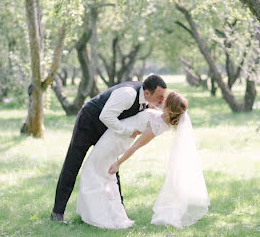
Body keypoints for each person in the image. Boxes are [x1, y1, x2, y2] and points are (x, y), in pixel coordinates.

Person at [51, 75, 167, 223]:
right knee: (72, 166)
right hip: (88, 123)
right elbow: (106, 116)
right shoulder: (128, 94)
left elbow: (146, 109)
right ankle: (57, 213)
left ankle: (118, 212)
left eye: (164, 97)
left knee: (112, 168)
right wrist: (128, 131)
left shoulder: (146, 97)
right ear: (147, 93)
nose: (162, 100)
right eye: (159, 97)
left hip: (108, 133)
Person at [76, 92, 191, 228]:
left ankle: (98, 216)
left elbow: (136, 146)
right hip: (116, 133)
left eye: (166, 99)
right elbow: (150, 114)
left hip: (116, 140)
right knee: (100, 173)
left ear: (169, 106)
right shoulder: (161, 117)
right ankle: (102, 213)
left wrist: (118, 163)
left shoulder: (157, 126)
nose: (163, 99)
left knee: (92, 169)